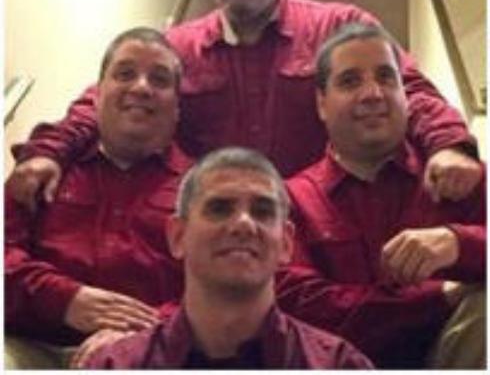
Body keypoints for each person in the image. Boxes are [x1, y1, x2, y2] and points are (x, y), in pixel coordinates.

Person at [7, 0, 481, 206]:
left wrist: (448, 148)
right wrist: (48, 153)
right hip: (220, 255)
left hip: (325, 246)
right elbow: (101, 105)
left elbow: (410, 94)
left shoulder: (344, 27)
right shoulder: (174, 52)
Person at [280, 22, 485, 368]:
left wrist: (458, 244)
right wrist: (440, 297)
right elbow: (304, 307)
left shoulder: (458, 175)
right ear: (321, 104)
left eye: (386, 78)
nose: (373, 93)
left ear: (406, 96)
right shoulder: (290, 200)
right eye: (350, 81)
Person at [77, 147, 373, 369]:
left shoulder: (339, 365)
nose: (244, 223)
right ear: (177, 236)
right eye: (219, 208)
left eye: (262, 211)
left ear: (286, 243)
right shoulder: (114, 365)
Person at [5, 27, 193, 368]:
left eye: (160, 80)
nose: (141, 88)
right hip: (28, 345)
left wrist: (140, 331)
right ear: (97, 94)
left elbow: (219, 285)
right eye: (125, 74)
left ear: (178, 107)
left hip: (149, 355)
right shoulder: (41, 171)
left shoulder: (204, 190)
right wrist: (65, 300)